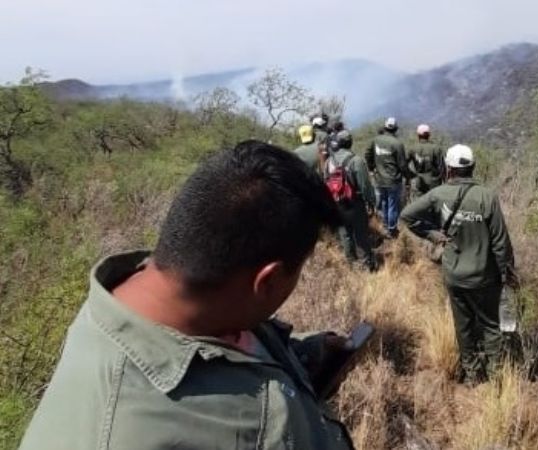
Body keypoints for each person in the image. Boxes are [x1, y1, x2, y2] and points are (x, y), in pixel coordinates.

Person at [20, 141, 356, 450]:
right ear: (266, 280)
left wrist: (308, 353)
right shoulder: (122, 433)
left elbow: (229, 354)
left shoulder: (190, 292)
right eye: (299, 271)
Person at [400, 144, 516, 385]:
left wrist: (432, 235)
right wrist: (507, 273)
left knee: (463, 326)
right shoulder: (486, 197)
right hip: (484, 276)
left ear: (448, 169)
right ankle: (496, 378)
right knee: (490, 325)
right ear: (473, 167)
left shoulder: (438, 194)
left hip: (454, 275)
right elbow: (500, 242)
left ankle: (472, 375)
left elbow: (407, 216)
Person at [325, 130, 377, 271]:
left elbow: (326, 181)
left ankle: (351, 263)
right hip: (354, 202)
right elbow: (364, 185)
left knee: (345, 234)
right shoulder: (356, 161)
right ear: (350, 143)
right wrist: (371, 202)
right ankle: (367, 264)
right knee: (360, 233)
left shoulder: (329, 161)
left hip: (337, 203)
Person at [365, 117, 408, 238]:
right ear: (395, 129)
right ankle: (392, 229)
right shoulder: (397, 144)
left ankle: (385, 225)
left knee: (384, 203)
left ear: (385, 127)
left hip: (379, 179)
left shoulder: (376, 140)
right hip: (393, 180)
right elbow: (402, 165)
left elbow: (367, 154)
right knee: (392, 205)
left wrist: (371, 167)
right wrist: (408, 177)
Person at [407, 124, 445, 200]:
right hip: (433, 181)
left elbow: (403, 164)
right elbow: (442, 167)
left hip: (418, 180)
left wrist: (411, 176)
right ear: (429, 135)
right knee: (433, 202)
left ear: (418, 135)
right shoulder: (436, 148)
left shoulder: (412, 148)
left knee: (419, 202)